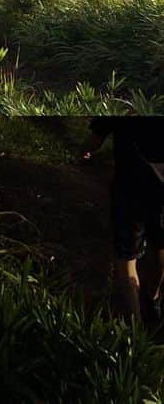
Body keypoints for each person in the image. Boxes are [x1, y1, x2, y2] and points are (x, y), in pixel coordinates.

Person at [82, 117, 164, 326]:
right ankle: (153, 302)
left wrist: (83, 150)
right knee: (160, 247)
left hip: (130, 188)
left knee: (126, 261)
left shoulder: (119, 101)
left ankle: (134, 335)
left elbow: (94, 140)